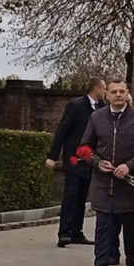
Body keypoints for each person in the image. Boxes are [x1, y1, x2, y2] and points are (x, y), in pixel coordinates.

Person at [81, 79, 134, 266]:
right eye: (113, 92)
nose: (117, 95)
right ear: (106, 95)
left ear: (127, 94)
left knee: (133, 232)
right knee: (103, 231)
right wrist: (97, 163)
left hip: (130, 187)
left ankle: (132, 265)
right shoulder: (97, 117)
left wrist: (130, 165)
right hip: (104, 186)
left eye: (121, 91)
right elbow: (85, 148)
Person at [46, 78, 106, 248]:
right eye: (104, 88)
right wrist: (53, 155)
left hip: (90, 159)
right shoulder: (76, 105)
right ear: (95, 89)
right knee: (71, 195)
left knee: (82, 196)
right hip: (74, 158)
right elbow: (62, 130)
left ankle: (76, 232)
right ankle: (63, 232)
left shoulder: (102, 109)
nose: (106, 92)